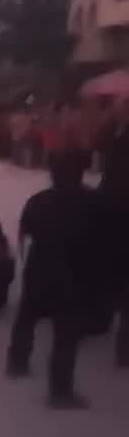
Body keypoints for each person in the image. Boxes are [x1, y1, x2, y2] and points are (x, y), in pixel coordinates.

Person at [6, 154, 108, 409]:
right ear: (79, 174)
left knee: (27, 318)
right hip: (73, 276)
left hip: (38, 270)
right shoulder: (92, 203)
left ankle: (17, 363)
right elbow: (103, 243)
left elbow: (24, 234)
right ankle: (59, 391)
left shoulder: (38, 200)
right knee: (66, 335)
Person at [97, 100, 129, 368]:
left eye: (119, 107)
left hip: (121, 206)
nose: (115, 111)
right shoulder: (115, 131)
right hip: (111, 204)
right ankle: (104, 317)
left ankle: (124, 346)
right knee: (110, 268)